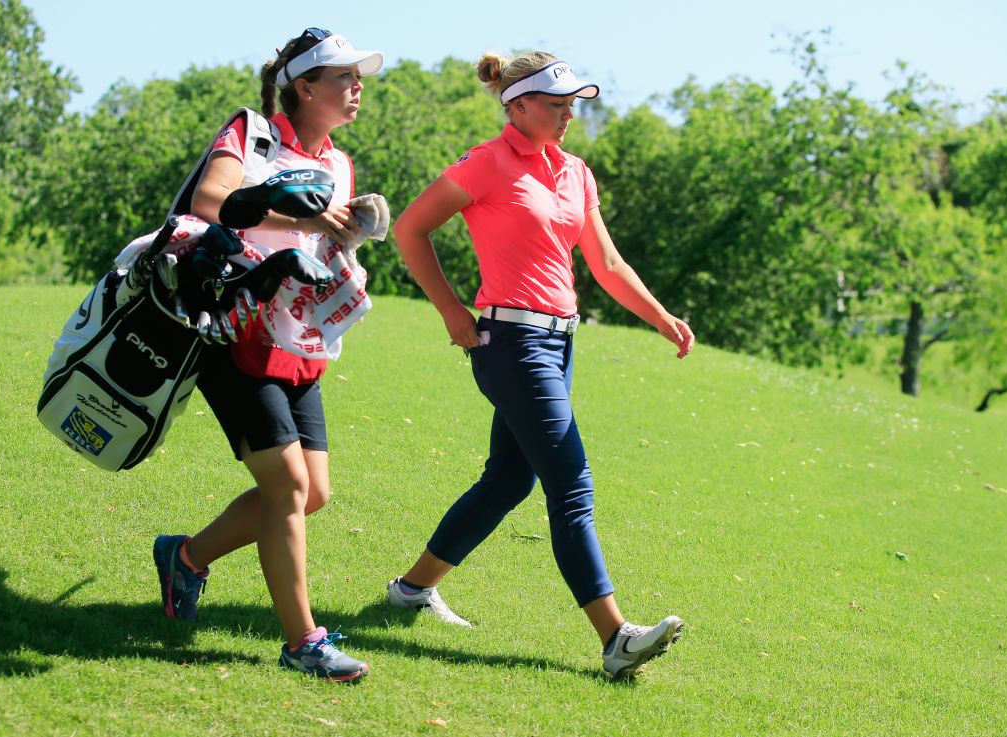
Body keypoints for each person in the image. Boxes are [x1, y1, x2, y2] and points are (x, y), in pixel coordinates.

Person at [385, 51, 696, 679]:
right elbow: (411, 229)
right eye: (556, 105)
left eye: (572, 105)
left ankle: (411, 589)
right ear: (517, 104)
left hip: (560, 343)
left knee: (508, 481)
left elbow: (605, 265)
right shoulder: (486, 163)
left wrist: (662, 318)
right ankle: (615, 638)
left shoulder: (575, 173)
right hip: (510, 344)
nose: (567, 115)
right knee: (571, 485)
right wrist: (450, 310)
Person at [152, 27, 382, 682]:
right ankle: (302, 641)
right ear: (305, 87)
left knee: (314, 494)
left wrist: (348, 249)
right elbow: (209, 204)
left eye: (358, 75)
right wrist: (306, 221)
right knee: (286, 484)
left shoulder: (338, 163)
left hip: (297, 336)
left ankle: (186, 557)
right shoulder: (252, 133)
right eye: (343, 75)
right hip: (231, 327)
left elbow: (317, 245)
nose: (356, 85)